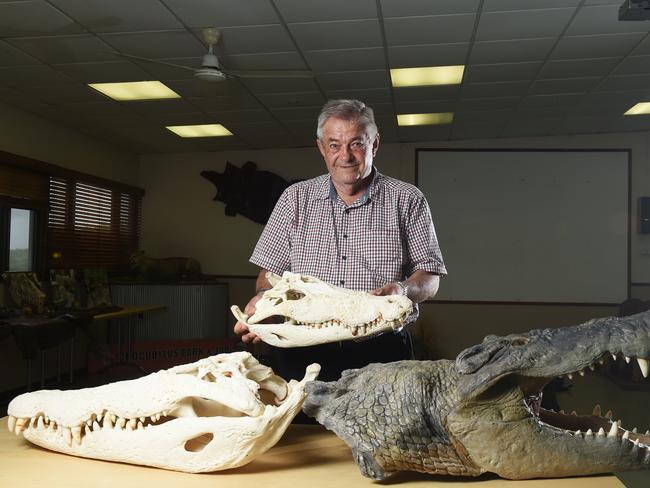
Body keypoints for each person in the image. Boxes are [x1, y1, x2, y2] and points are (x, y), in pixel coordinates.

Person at [234, 99, 446, 382]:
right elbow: (268, 275)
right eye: (334, 145)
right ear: (322, 148)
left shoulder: (407, 199)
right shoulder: (294, 199)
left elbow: (430, 277)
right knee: (303, 427)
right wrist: (264, 302)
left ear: (375, 144)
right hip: (302, 349)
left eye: (356, 144)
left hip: (380, 350)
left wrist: (405, 290)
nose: (345, 156)